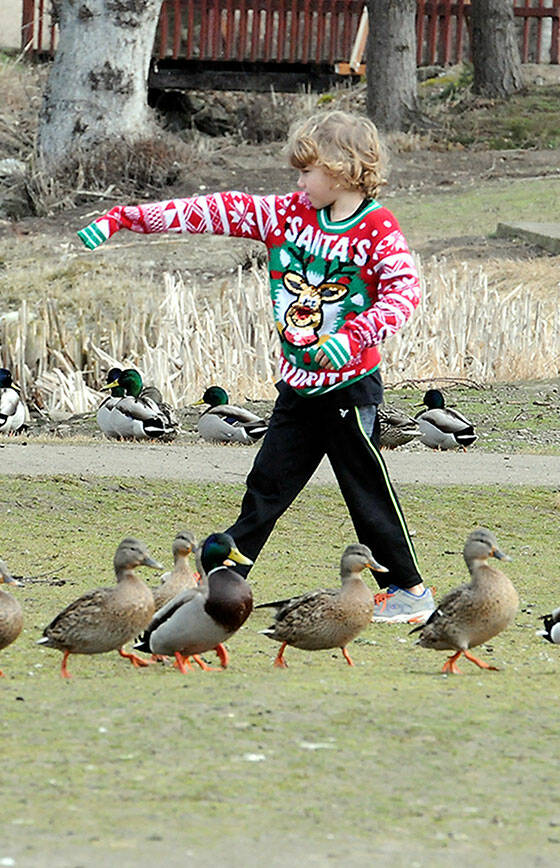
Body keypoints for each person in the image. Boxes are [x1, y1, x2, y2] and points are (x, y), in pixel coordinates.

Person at [77, 110, 433, 623]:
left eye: (307, 170)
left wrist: (353, 337)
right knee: (265, 486)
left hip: (349, 388)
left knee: (365, 489)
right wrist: (123, 219)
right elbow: (212, 210)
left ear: (341, 169)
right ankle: (219, 578)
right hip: (299, 388)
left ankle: (408, 590)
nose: (298, 180)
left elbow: (404, 295)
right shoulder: (285, 214)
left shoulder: (377, 228)